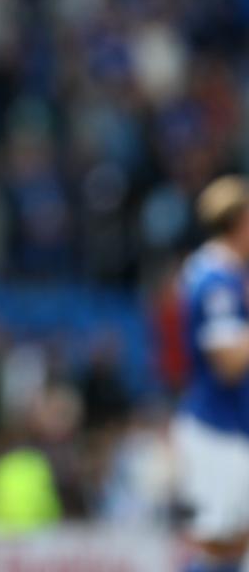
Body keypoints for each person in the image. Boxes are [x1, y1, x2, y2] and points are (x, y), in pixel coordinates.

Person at [174, 176, 249, 572]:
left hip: (231, 426)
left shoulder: (222, 273)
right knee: (219, 547)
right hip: (216, 431)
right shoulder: (215, 281)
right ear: (239, 222)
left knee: (235, 545)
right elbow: (228, 363)